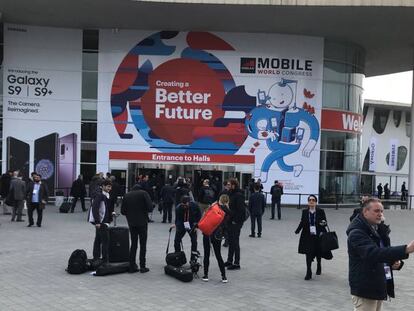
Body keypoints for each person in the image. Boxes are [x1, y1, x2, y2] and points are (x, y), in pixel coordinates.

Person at [347, 197, 414, 310]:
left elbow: (384, 251)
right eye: (376, 211)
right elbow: (373, 253)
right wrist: (406, 249)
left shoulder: (377, 229)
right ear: (365, 212)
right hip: (366, 288)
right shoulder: (356, 233)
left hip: (378, 285)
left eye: (382, 211)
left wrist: (394, 262)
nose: (380, 214)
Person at [295, 195, 330, 280]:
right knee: (308, 253)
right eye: (310, 200)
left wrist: (323, 223)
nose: (311, 201)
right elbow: (302, 222)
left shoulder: (320, 211)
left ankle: (319, 264)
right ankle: (308, 271)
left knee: (318, 252)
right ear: (308, 202)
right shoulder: (304, 212)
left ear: (316, 202)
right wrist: (298, 230)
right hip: (307, 235)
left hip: (318, 235)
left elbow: (325, 222)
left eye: (313, 200)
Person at [121, 183, 153, 273]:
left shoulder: (126, 195)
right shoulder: (144, 193)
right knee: (143, 244)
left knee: (133, 244)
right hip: (142, 222)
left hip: (131, 223)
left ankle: (132, 266)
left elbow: (122, 211)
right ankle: (142, 266)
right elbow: (150, 208)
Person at [201, 194, 231, 283]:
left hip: (207, 232)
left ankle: (206, 275)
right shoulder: (227, 211)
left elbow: (205, 216)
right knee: (218, 255)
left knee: (206, 254)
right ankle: (224, 276)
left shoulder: (213, 207)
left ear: (219, 200)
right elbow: (227, 224)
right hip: (217, 234)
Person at [88, 179, 112, 263]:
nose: (110, 188)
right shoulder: (100, 195)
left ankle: (96, 258)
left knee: (98, 239)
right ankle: (105, 260)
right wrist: (97, 222)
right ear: (103, 186)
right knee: (105, 241)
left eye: (110, 186)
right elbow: (95, 208)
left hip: (102, 221)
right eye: (108, 186)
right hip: (102, 222)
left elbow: (104, 208)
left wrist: (111, 214)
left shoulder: (105, 195)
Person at [225, 178, 246, 270]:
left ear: (234, 185)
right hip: (230, 220)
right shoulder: (230, 194)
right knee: (230, 241)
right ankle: (229, 260)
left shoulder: (239, 195)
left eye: (229, 184)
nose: (227, 186)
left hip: (236, 222)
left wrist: (236, 221)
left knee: (235, 242)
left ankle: (236, 263)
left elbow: (241, 211)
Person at [173, 195, 201, 261]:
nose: (184, 206)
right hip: (182, 224)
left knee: (194, 241)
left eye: (186, 204)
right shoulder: (178, 207)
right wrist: (177, 226)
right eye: (183, 204)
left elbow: (199, 216)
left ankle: (193, 258)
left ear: (189, 202)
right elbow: (178, 219)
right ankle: (178, 256)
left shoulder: (195, 206)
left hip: (192, 224)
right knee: (176, 240)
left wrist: (197, 226)